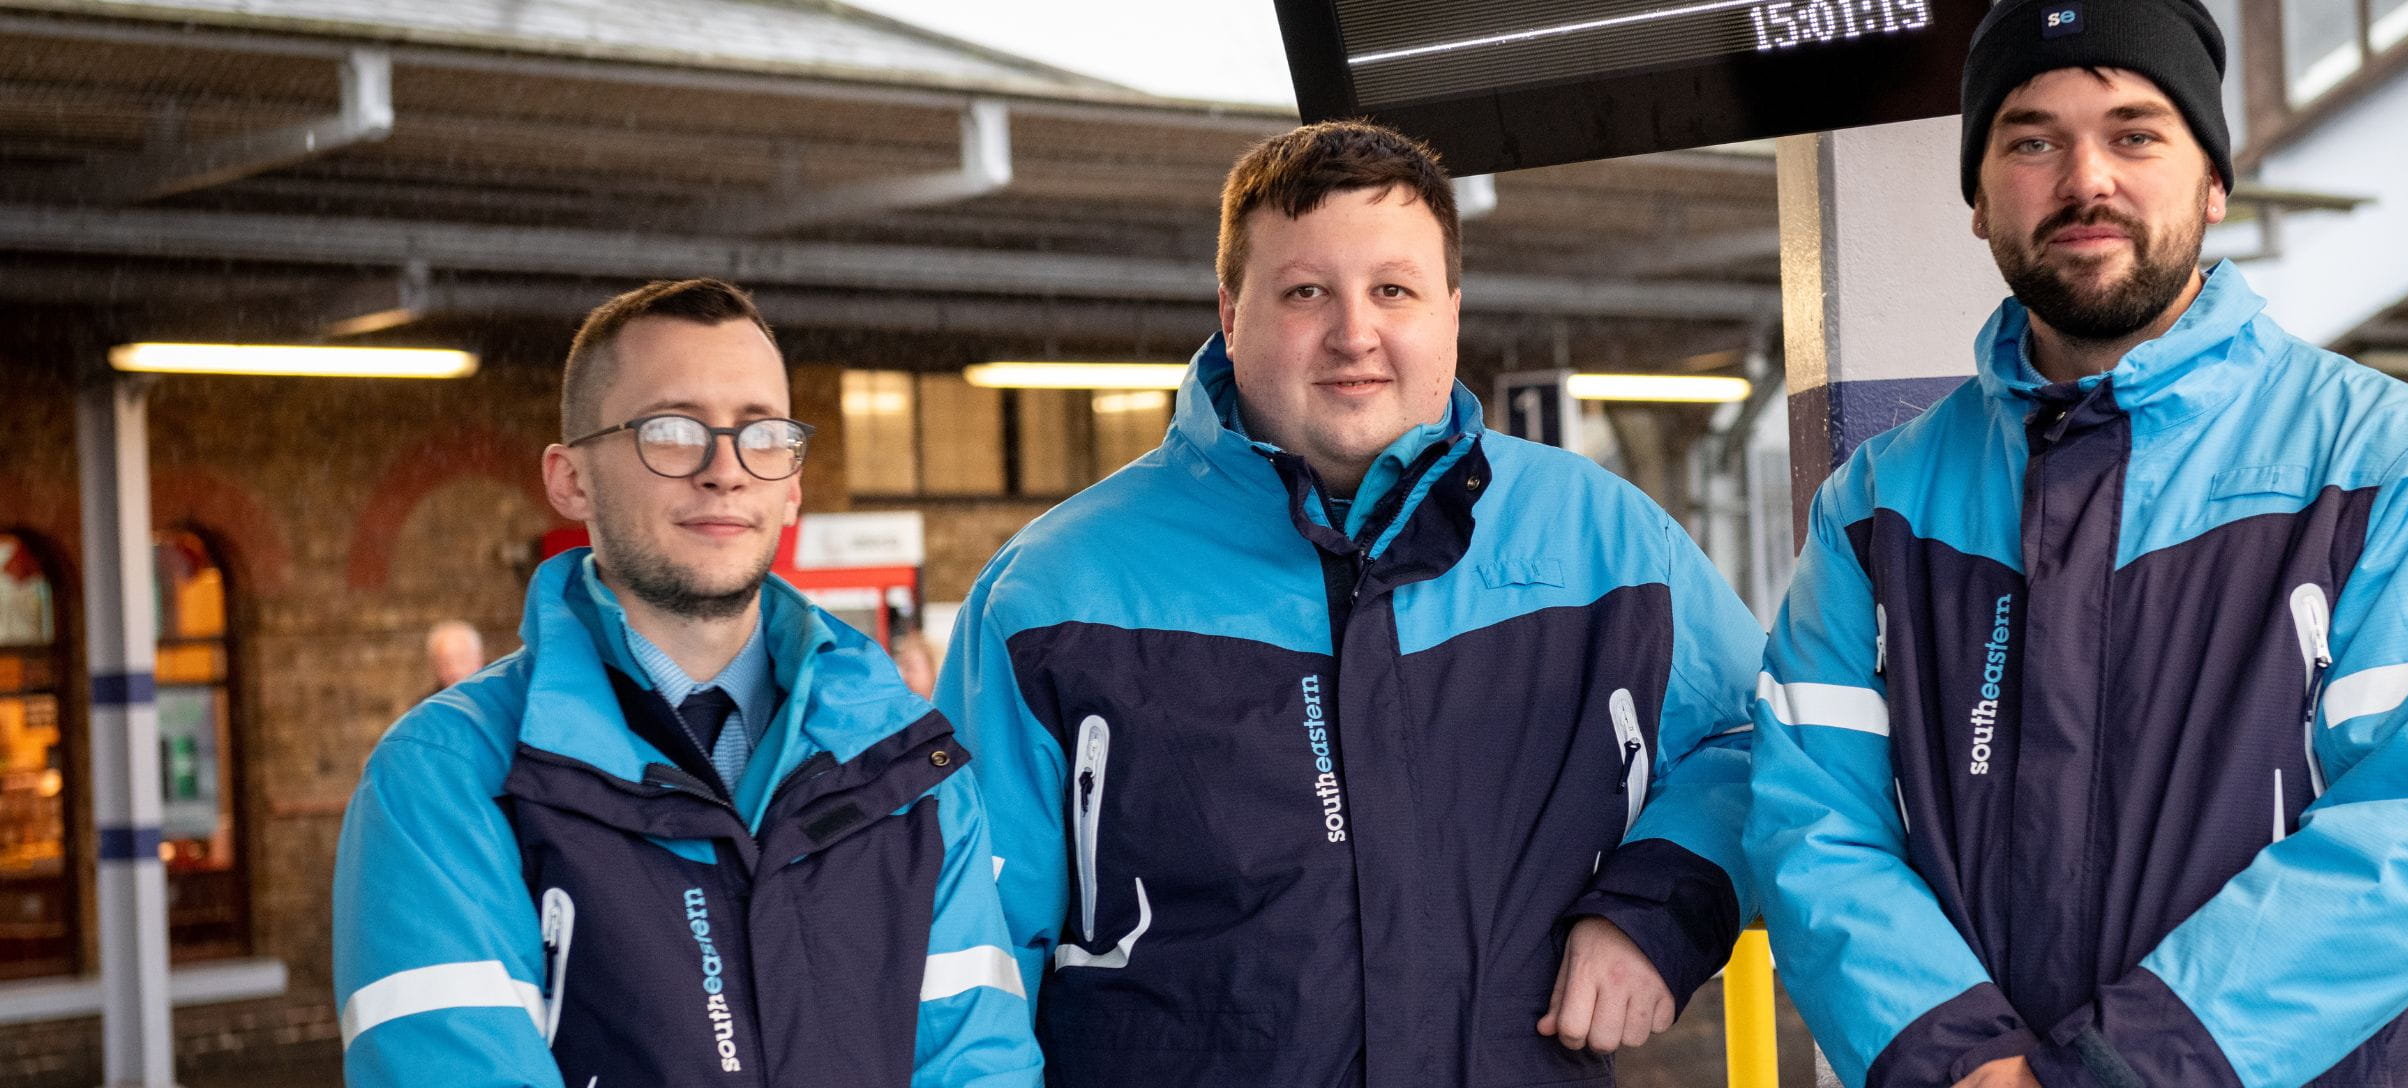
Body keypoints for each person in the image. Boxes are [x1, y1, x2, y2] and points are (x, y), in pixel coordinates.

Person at [1745, 0, 2408, 1088]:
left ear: (2214, 180)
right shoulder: (1872, 511)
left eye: (2136, 134)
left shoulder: (2391, 470)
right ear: (1977, 199)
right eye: (2030, 139)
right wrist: (1962, 1062)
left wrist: (2118, 1070)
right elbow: (1811, 822)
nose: (2084, 179)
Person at [940, 122, 1764, 1087]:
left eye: (1393, 290)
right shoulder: (1055, 591)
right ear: (1230, 313)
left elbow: (1761, 743)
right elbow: (962, 954)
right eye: (1304, 292)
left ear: (1451, 311)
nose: (1354, 333)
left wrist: (1655, 912)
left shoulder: (1605, 543)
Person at [333, 279, 1040, 1087]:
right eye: (672, 432)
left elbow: (979, 1068)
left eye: (761, 434)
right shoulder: (450, 776)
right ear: (570, 479)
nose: (725, 471)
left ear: (794, 482)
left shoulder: (913, 777)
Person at [425, 619, 484, 695]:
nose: (455, 671)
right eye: (445, 664)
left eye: (461, 660)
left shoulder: (499, 695)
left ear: (478, 658)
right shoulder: (428, 705)